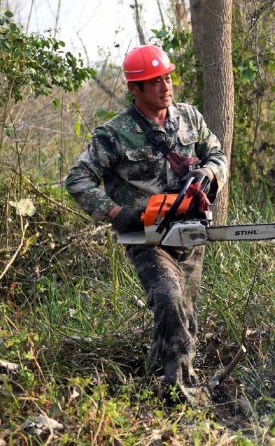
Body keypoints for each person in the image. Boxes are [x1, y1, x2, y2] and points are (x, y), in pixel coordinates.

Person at [65, 44, 228, 401]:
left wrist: (208, 173)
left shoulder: (189, 117)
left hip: (188, 230)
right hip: (146, 235)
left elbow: (216, 153)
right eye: (154, 82)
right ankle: (179, 391)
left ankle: (159, 377)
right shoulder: (114, 134)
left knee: (183, 313)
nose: (164, 87)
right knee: (168, 299)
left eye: (167, 78)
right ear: (135, 89)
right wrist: (116, 213)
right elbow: (77, 179)